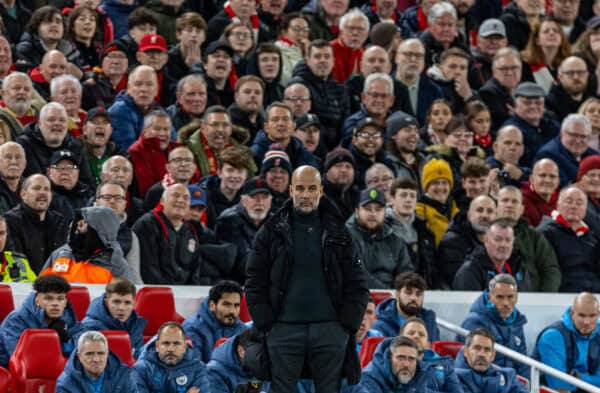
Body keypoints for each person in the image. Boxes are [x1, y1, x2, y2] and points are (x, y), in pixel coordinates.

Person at [246, 165, 369, 392]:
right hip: (282, 332)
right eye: (300, 188)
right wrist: (266, 323)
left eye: (311, 189)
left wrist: (346, 324)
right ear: (291, 191)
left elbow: (358, 281)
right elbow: (254, 279)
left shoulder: (339, 231)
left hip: (330, 332)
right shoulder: (271, 231)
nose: (305, 195)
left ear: (320, 191)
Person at [40, 206, 135, 284]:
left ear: (101, 230)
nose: (78, 224)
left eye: (86, 222)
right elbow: (38, 288)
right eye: (79, 220)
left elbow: (124, 301)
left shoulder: (117, 266)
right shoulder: (60, 254)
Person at [459, 274, 530, 378]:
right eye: (500, 297)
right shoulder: (474, 322)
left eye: (510, 297)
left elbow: (522, 363)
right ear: (490, 297)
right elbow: (472, 365)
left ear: (516, 297)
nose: (506, 303)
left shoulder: (517, 322)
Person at [132, 183, 203, 284]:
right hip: (156, 292)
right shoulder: (148, 224)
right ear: (162, 201)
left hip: (185, 294)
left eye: (186, 198)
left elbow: (194, 272)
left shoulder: (190, 231)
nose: (181, 200)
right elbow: (148, 270)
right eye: (176, 195)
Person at [496, 186, 561, 292]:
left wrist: (543, 299)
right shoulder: (486, 234)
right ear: (496, 207)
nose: (509, 205)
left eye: (514, 201)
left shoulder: (534, 237)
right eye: (505, 200)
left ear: (522, 209)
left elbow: (550, 270)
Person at [0, 274, 83, 357]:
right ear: (37, 300)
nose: (55, 303)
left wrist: (65, 343)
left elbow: (81, 346)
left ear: (65, 302)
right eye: (48, 298)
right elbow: (20, 357)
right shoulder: (16, 319)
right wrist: (52, 341)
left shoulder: (67, 316)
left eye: (60, 299)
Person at [346, 187, 413, 289]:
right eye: (367, 209)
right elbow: (356, 274)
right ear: (357, 212)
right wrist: (386, 293)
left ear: (385, 212)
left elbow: (406, 275)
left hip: (392, 300)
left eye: (378, 209)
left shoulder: (396, 241)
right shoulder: (345, 238)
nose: (373, 214)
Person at [533, 292, 600, 391]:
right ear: (572, 314)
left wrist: (580, 377)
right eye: (582, 315)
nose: (587, 322)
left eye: (592, 316)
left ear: (598, 314)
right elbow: (559, 385)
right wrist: (590, 381)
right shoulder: (552, 336)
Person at [538, 186, 600, 293]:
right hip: (563, 294)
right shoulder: (546, 233)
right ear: (558, 205)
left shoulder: (591, 237)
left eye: (579, 203)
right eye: (569, 201)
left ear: (585, 210)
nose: (573, 206)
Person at [17, 102, 94, 186]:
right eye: (51, 120)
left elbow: (87, 183)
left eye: (62, 120)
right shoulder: (24, 145)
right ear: (39, 124)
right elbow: (34, 184)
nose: (57, 123)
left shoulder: (76, 146)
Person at [4, 174, 69, 274]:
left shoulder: (59, 221)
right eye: (36, 188)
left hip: (54, 283)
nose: (42, 193)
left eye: (47, 189)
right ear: (23, 194)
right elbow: (15, 260)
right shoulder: (10, 221)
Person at [291, 39, 350, 149]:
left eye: (327, 57)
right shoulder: (299, 86)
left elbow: (345, 124)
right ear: (308, 61)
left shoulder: (340, 89)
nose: (322, 60)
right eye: (317, 56)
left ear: (333, 61)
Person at [357, 336, 464, 393]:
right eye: (401, 358)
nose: (406, 364)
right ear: (389, 358)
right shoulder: (369, 378)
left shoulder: (419, 374)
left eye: (411, 359)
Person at [215, 177, 272, 284]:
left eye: (264, 197)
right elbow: (242, 264)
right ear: (243, 200)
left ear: (270, 201)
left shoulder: (275, 223)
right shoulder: (228, 220)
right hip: (236, 285)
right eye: (254, 197)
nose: (259, 202)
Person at [454, 219, 532, 291]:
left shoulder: (520, 268)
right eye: (498, 239)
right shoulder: (469, 271)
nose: (503, 245)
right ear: (486, 240)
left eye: (508, 240)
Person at [131, 322, 211, 393]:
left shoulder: (198, 369)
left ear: (184, 347)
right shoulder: (141, 369)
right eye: (166, 343)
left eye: (176, 343)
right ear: (157, 346)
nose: (171, 349)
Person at [438, 195, 497, 289]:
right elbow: (457, 283)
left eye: (490, 211)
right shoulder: (451, 243)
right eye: (480, 210)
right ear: (469, 215)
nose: (485, 215)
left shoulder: (500, 244)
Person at [179, 105, 254, 179]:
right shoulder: (188, 151)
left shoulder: (242, 152)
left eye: (225, 125)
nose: (220, 129)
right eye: (215, 125)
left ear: (231, 128)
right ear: (203, 128)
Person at [182, 280, 247, 363]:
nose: (232, 311)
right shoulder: (193, 328)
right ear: (212, 305)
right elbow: (194, 367)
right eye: (226, 304)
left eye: (236, 305)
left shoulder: (243, 330)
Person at [388, 178, 436, 286]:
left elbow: (430, 268)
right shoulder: (382, 228)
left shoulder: (425, 232)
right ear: (392, 199)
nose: (408, 200)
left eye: (412, 196)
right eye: (403, 195)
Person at [82, 280, 145, 359]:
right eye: (116, 302)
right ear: (106, 302)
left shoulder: (136, 325)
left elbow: (140, 358)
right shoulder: (88, 327)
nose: (121, 308)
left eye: (127, 303)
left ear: (134, 304)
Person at [55, 331, 136, 393]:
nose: (96, 359)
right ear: (79, 356)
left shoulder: (123, 376)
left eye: (101, 353)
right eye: (89, 354)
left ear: (107, 354)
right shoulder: (66, 383)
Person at [502, 82, 560, 168]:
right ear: (516, 105)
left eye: (538, 103)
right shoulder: (511, 130)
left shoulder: (553, 126)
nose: (533, 106)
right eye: (527, 103)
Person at [455, 328, 529, 393]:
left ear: (493, 355)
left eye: (487, 350)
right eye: (477, 348)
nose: (482, 354)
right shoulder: (452, 378)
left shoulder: (508, 376)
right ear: (466, 351)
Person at [536, 114, 599, 187]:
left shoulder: (594, 156)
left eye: (583, 136)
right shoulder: (548, 156)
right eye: (573, 135)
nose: (578, 141)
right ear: (562, 133)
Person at [372, 272, 440, 341]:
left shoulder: (429, 321)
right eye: (408, 292)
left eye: (418, 294)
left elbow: (433, 350)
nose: (413, 298)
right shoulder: (380, 325)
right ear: (397, 294)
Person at [251, 102, 318, 169]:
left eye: (286, 119)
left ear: (293, 126)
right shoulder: (254, 154)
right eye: (275, 119)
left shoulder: (305, 154)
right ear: (266, 127)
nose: (281, 123)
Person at [108, 65, 160, 151]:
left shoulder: (159, 111)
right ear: (129, 88)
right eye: (138, 84)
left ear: (156, 90)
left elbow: (172, 143)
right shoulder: (119, 111)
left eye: (149, 84)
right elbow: (130, 151)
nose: (144, 89)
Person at [200, 146, 254, 228]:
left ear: (246, 175)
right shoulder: (203, 195)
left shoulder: (252, 197)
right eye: (230, 170)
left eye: (240, 171)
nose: (235, 176)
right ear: (219, 172)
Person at [394, 38, 444, 125]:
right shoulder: (384, 86)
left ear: (424, 62)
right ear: (396, 58)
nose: (413, 59)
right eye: (408, 54)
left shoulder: (434, 91)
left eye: (419, 56)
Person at [128, 109, 177, 197]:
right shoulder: (136, 152)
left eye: (166, 129)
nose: (162, 133)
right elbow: (146, 191)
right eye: (157, 129)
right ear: (145, 130)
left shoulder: (176, 149)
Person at [342, 73, 396, 147]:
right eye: (374, 95)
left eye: (384, 96)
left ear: (391, 100)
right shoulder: (353, 123)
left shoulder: (399, 122)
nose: (379, 100)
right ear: (363, 97)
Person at [416, 157, 458, 247]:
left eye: (444, 182)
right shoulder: (419, 211)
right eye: (435, 183)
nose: (440, 187)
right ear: (427, 187)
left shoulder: (454, 207)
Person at [479, 48, 523, 130]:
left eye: (514, 68)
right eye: (504, 69)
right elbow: (502, 125)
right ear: (494, 71)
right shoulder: (488, 93)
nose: (509, 73)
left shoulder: (523, 90)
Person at [143, 146, 197, 211]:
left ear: (194, 168)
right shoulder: (156, 192)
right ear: (168, 167)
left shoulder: (198, 191)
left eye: (188, 160)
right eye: (177, 160)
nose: (183, 164)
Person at [47, 149, 95, 222]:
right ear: (49, 172)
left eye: (70, 168)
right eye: (59, 167)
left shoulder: (89, 195)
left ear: (78, 172)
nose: (65, 172)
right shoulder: (44, 196)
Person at [81, 107, 124, 185]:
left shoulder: (121, 156)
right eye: (95, 122)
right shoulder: (76, 155)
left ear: (111, 131)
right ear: (85, 130)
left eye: (105, 122)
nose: (100, 126)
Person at [348, 117, 394, 189]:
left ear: (382, 140)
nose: (371, 139)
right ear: (354, 140)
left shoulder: (388, 162)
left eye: (376, 135)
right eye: (365, 135)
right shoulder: (348, 164)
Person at [546, 56, 593, 122]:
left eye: (580, 72)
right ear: (560, 77)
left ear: (587, 75)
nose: (576, 77)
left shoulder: (594, 101)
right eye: (570, 73)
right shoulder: (550, 103)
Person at [330, 8, 369, 83]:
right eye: (351, 28)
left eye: (360, 29)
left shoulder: (366, 54)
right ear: (341, 32)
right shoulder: (328, 50)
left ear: (366, 35)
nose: (355, 33)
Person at [468, 19, 508, 90]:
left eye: (498, 38)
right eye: (488, 37)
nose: (494, 42)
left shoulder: (514, 63)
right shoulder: (469, 65)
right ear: (478, 40)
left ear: (506, 41)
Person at [0, 72, 42, 140]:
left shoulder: (40, 112)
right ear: (3, 93)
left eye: (26, 89)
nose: (22, 92)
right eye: (16, 88)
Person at [322, 147, 358, 220]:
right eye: (338, 166)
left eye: (348, 167)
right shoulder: (319, 196)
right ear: (327, 171)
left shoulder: (358, 196)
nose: (344, 170)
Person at [521, 158, 560, 226]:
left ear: (558, 181)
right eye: (542, 175)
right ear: (532, 179)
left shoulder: (562, 202)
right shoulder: (521, 201)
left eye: (552, 176)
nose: (547, 180)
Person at [229, 76, 265, 143]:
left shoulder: (265, 124)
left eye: (257, 92)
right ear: (236, 96)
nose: (253, 95)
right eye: (247, 92)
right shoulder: (227, 123)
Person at [0, 142, 26, 214]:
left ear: (25, 164)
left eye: (18, 157)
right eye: (8, 157)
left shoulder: (31, 186)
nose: (14, 162)